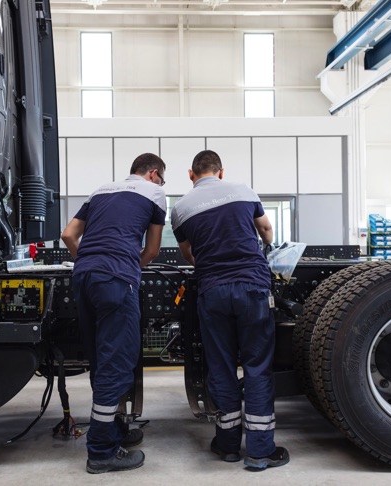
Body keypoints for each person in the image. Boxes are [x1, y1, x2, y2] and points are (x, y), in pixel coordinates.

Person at [170, 149, 289, 470]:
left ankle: (227, 446)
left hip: (212, 291)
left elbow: (188, 255)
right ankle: (260, 451)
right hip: (252, 287)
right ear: (220, 172)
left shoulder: (180, 208)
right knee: (257, 366)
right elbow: (266, 231)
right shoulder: (243, 191)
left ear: (191, 174)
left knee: (220, 367)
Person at [60, 153, 167, 474]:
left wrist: (89, 261)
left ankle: (113, 429)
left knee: (100, 358)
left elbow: (68, 235)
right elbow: (152, 250)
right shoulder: (154, 192)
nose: (162, 184)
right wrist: (127, 267)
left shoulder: (100, 191)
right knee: (117, 361)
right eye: (162, 178)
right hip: (116, 279)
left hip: (84, 277)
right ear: (153, 173)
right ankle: (101, 452)